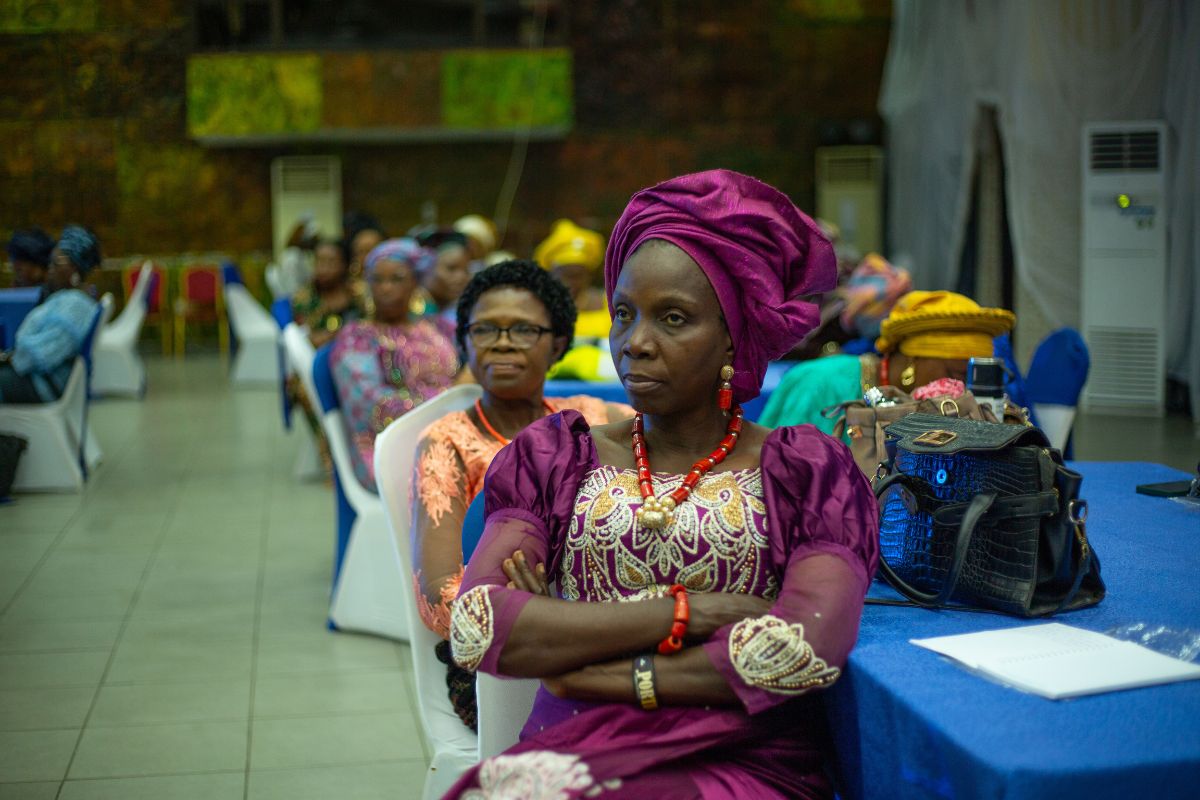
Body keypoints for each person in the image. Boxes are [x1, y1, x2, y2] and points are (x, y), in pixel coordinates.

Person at [445, 170, 879, 798]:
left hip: (743, 758)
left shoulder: (806, 472)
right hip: (569, 747)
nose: (635, 344)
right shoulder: (555, 458)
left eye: (673, 318)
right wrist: (692, 613)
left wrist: (581, 663)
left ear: (733, 337)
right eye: (624, 314)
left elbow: (798, 650)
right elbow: (480, 625)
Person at [411, 260, 633, 731]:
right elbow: (437, 594)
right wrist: (535, 614)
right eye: (485, 329)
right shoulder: (448, 441)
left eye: (524, 329)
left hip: (628, 627)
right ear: (464, 342)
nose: (503, 342)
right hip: (503, 663)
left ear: (558, 344)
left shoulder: (596, 418)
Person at [758, 290, 1015, 436]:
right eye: (955, 374)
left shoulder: (941, 411)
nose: (961, 389)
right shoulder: (822, 384)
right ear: (912, 360)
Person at [330, 238, 460, 492]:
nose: (386, 288)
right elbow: (374, 406)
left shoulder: (435, 327)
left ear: (415, 282)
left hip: (449, 432)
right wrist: (449, 405)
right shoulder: (357, 338)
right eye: (377, 280)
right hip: (389, 449)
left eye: (397, 279)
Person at [0, 226, 100, 404]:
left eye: (56, 264)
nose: (50, 270)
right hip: (42, 378)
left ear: (74, 269)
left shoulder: (74, 306)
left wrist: (9, 358)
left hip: (44, 385)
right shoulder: (69, 299)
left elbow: (39, 355)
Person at [290, 238, 366, 349]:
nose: (323, 269)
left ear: (345, 264)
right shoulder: (302, 299)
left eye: (331, 262)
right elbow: (298, 338)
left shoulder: (359, 296)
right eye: (319, 261)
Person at [413, 228, 472, 330]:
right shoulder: (411, 314)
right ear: (427, 268)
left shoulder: (459, 313)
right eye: (451, 268)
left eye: (466, 270)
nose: (461, 277)